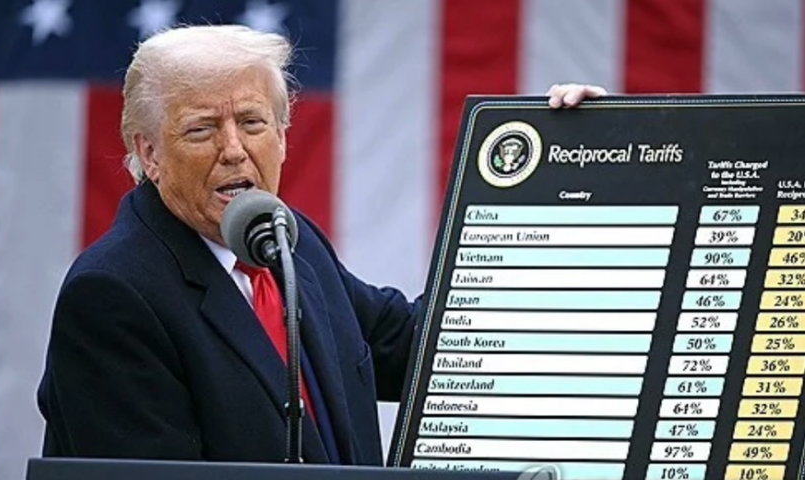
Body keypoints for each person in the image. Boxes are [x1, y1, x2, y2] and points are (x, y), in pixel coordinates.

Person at [36, 24, 607, 465]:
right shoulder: (112, 295)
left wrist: (563, 172)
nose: (233, 149)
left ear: (284, 137)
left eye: (253, 123)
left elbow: (428, 348)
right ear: (149, 153)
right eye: (202, 129)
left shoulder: (289, 241)